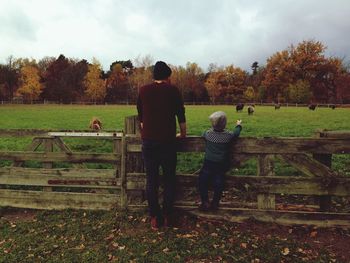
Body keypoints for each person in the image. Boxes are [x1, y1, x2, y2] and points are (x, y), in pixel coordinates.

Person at [137, 61, 186, 230]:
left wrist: (148, 129)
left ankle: (154, 217)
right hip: (167, 141)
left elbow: (141, 117)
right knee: (169, 179)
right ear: (167, 76)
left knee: (151, 180)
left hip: (149, 142)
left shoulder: (143, 91)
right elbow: (181, 114)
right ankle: (166, 215)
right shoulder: (172, 91)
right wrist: (183, 134)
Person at [198, 111, 242, 211]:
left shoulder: (208, 134)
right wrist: (238, 125)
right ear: (225, 124)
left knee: (202, 181)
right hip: (221, 164)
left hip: (208, 162)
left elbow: (202, 133)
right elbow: (236, 133)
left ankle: (205, 201)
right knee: (219, 182)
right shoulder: (228, 135)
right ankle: (215, 203)